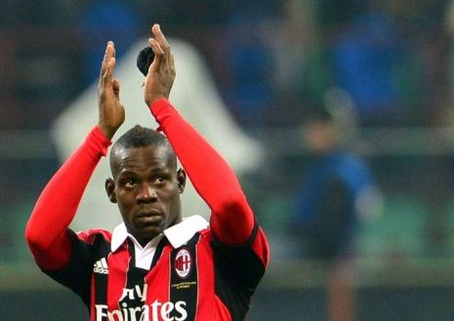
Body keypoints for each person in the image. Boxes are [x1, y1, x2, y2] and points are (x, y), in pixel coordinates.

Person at [25, 24, 269, 321]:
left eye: (159, 179)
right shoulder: (98, 258)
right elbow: (40, 236)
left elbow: (229, 202)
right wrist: (101, 135)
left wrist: (162, 107)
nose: (146, 194)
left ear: (180, 181)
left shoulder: (218, 253)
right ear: (112, 192)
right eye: (130, 182)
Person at [293, 90, 382, 320]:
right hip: (321, 262)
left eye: (321, 124)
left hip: (333, 266)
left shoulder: (343, 171)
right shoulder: (323, 166)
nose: (313, 131)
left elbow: (330, 233)